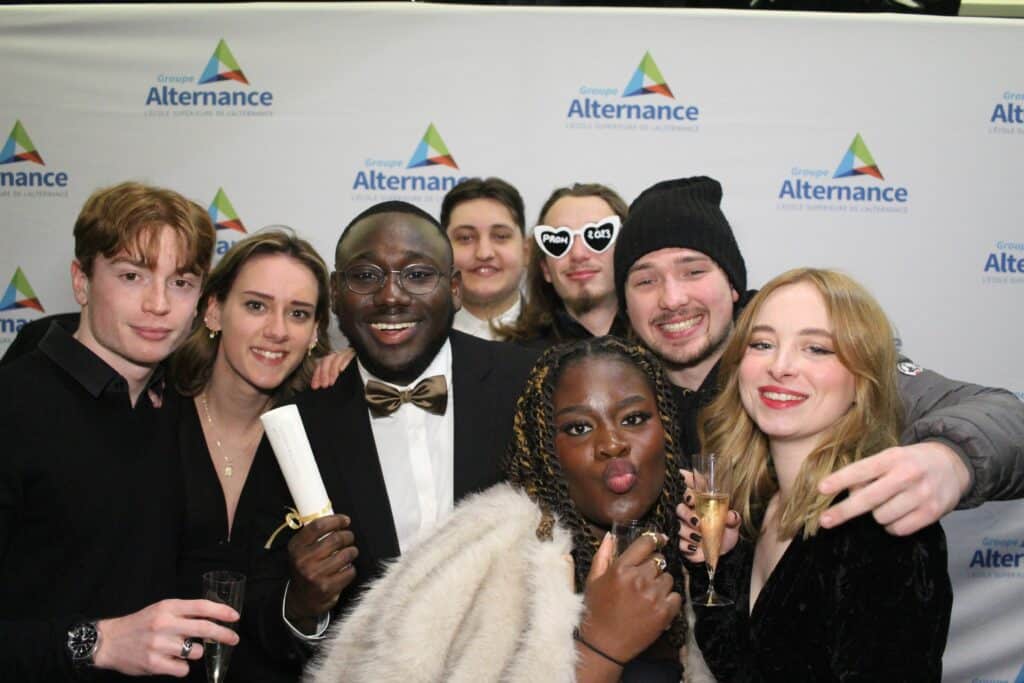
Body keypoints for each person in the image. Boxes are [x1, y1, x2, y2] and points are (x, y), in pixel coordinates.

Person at [613, 176, 1024, 539]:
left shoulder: (801, 367)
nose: (672, 298)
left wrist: (951, 459)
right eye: (646, 280)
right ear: (626, 303)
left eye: (694, 271)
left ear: (733, 284)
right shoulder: (613, 389)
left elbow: (1006, 417)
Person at [243, 200, 538, 673]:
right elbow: (256, 608)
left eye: (418, 275)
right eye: (366, 277)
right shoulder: (299, 426)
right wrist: (301, 604)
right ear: (336, 294)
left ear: (456, 289)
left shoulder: (529, 385)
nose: (391, 297)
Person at [304, 337, 689, 683]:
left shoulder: (698, 539)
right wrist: (600, 648)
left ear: (668, 428)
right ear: (544, 448)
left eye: (634, 419)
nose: (612, 443)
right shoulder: (487, 556)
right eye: (578, 428)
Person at [0, 181, 239, 680]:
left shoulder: (173, 403)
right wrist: (99, 642)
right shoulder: (15, 405)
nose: (158, 304)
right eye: (132, 276)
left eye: (181, 282)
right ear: (81, 281)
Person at [684, 268, 953, 680]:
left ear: (863, 378)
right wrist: (715, 564)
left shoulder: (883, 523)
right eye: (762, 343)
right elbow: (740, 666)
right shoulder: (757, 506)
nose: (782, 365)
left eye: (817, 349)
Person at [166, 228, 334, 681]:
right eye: (256, 305)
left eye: (298, 313)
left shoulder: (318, 444)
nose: (277, 331)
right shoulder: (153, 415)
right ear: (215, 310)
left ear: (316, 331)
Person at [500, 183, 631, 346]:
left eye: (597, 237)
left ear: (626, 251)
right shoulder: (512, 360)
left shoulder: (663, 348)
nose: (578, 254)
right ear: (545, 267)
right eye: (559, 241)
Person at [440, 176, 529, 340]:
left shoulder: (561, 341)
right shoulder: (415, 339)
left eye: (500, 236)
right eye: (466, 238)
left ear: (526, 251)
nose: (484, 253)